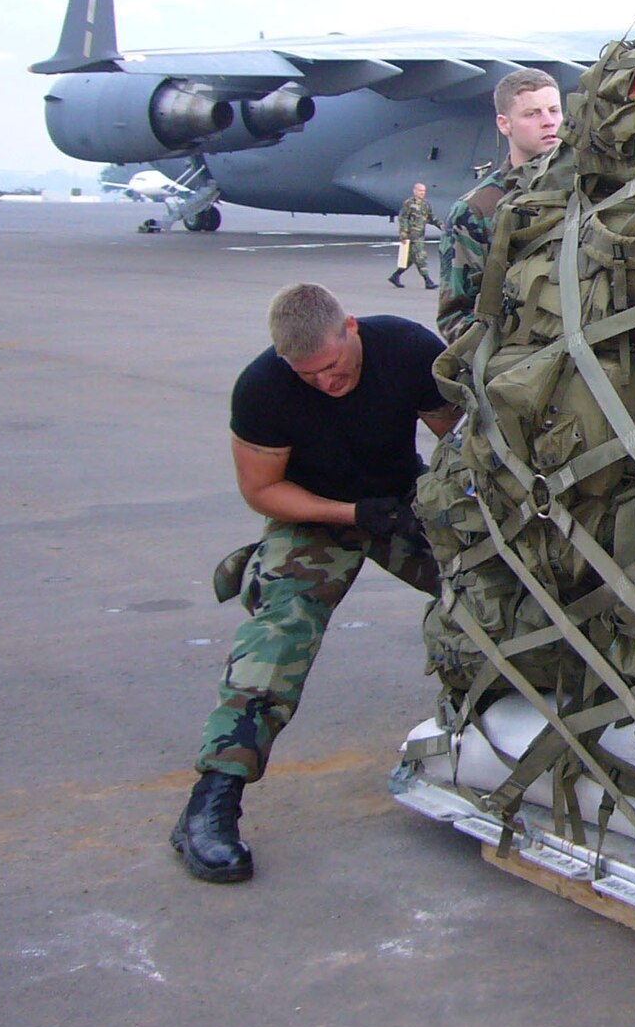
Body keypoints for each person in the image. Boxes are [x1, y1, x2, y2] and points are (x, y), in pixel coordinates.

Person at [169, 283, 457, 883]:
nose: (326, 382)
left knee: (497, 591)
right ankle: (212, 800)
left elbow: (458, 438)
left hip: (402, 501)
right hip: (314, 514)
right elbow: (261, 490)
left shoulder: (404, 349)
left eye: (333, 367)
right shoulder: (264, 389)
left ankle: (507, 725)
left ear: (350, 328)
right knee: (280, 630)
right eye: (309, 376)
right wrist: (351, 515)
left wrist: (449, 511)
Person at [437, 67, 564, 341]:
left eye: (554, 111)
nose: (548, 122)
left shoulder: (589, 190)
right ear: (504, 124)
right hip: (522, 366)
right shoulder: (476, 210)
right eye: (532, 114)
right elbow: (455, 316)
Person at [389, 182, 437, 289]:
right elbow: (403, 218)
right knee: (421, 257)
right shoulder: (409, 203)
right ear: (414, 191)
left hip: (420, 236)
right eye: (420, 191)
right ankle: (428, 281)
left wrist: (441, 225)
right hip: (411, 236)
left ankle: (395, 275)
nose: (422, 193)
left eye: (424, 191)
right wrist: (403, 235)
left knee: (410, 259)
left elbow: (431, 217)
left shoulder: (425, 204)